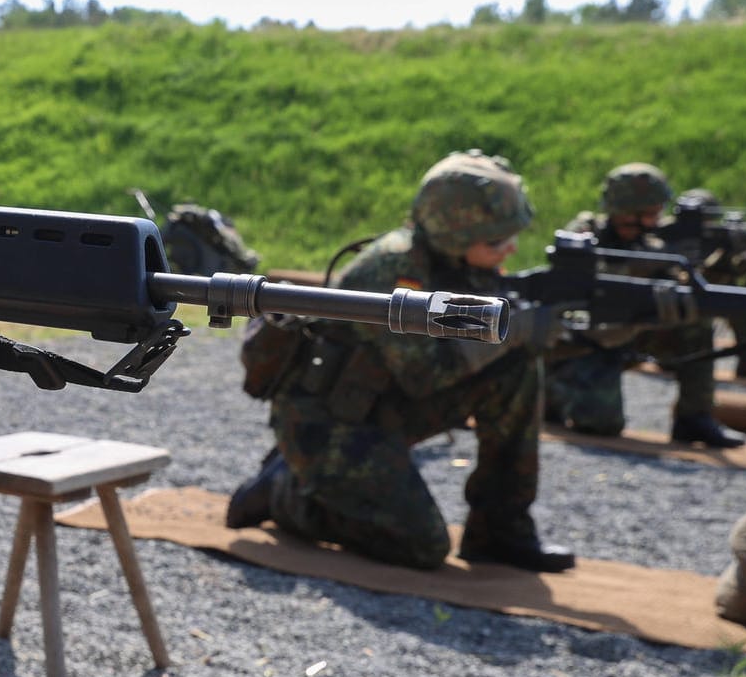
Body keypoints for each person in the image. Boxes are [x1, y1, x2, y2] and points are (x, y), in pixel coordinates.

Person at [228, 150, 575, 573]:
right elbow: (424, 375)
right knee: (422, 546)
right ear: (455, 233)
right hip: (329, 423)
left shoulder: (450, 262)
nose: (511, 249)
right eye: (497, 241)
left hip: (382, 407)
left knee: (517, 369)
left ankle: (500, 531)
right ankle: (287, 492)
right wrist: (517, 330)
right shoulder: (392, 270)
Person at [543, 163, 745, 448]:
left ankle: (694, 418)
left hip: (632, 334)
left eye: (656, 213)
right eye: (650, 213)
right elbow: (579, 296)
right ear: (625, 212)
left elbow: (689, 290)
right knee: (600, 425)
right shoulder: (584, 237)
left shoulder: (655, 244)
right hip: (584, 344)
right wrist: (640, 269)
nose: (655, 220)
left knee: (695, 322)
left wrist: (723, 261)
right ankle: (550, 391)